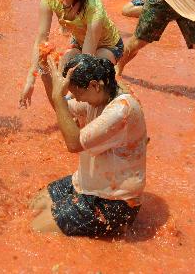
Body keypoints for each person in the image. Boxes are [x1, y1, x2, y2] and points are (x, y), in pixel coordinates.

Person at [29, 54, 146, 237]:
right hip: (86, 185)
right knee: (35, 205)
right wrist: (46, 75)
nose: (78, 99)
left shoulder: (121, 110)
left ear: (94, 85)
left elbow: (73, 143)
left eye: (77, 93)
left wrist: (59, 97)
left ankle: (119, 228)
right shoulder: (100, 95)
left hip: (113, 203)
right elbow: (63, 110)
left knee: (36, 229)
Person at [21, 0, 124, 107]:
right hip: (79, 42)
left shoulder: (94, 7)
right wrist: (31, 79)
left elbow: (86, 60)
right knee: (55, 72)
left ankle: (90, 113)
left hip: (108, 46)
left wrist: (73, 94)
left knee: (93, 80)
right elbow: (42, 39)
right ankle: (67, 116)